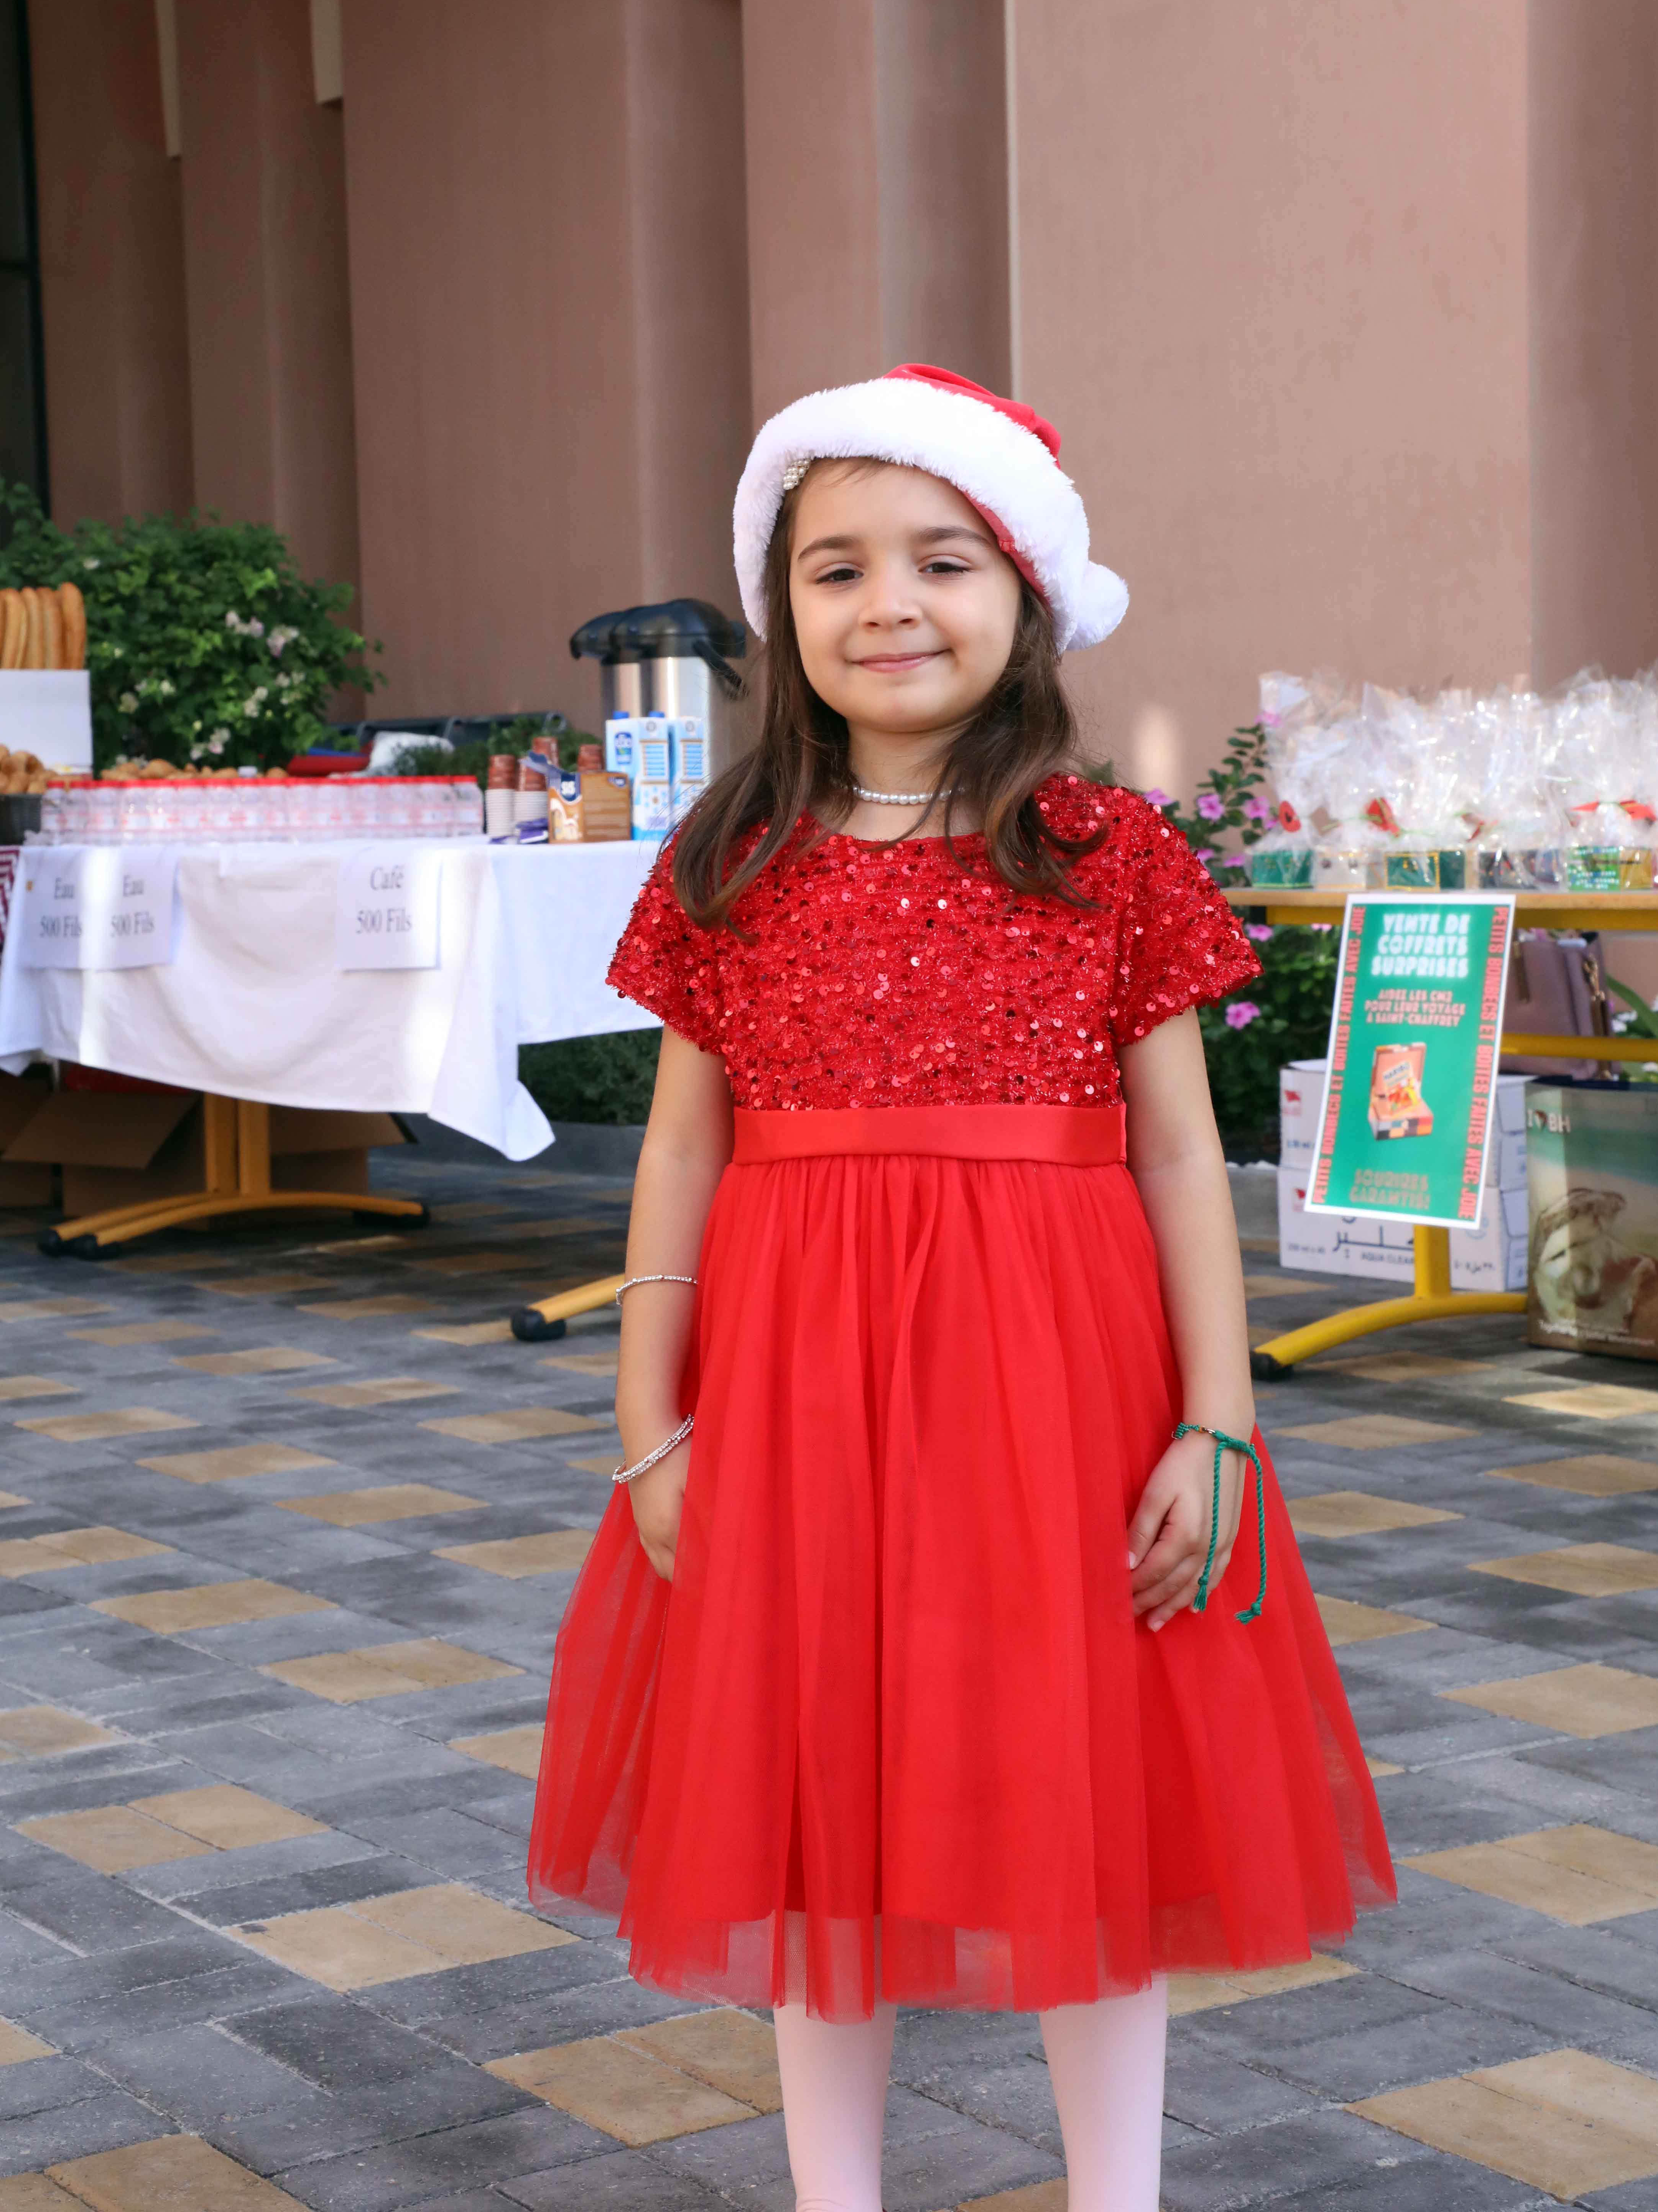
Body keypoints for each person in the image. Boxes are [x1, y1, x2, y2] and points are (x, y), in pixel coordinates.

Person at [528, 366, 1395, 2212]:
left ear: (1026, 593)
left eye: (942, 559)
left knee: (1087, 1782)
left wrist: (1217, 1424)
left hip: (1061, 1381)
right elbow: (679, 1152)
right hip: (795, 1385)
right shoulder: (729, 860)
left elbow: (1183, 1157)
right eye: (834, 568)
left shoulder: (1107, 852)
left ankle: (1115, 2194)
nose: (889, 604)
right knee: (810, 1782)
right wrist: (645, 1413)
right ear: (783, 613)